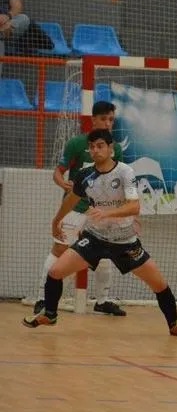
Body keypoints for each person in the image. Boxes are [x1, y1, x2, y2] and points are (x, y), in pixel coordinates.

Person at [22, 129, 177, 337]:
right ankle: (50, 314)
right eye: (92, 147)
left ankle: (175, 324)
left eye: (100, 146)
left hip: (125, 242)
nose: (95, 150)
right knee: (55, 272)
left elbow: (134, 206)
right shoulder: (84, 175)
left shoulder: (124, 172)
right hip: (95, 238)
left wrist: (106, 213)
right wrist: (56, 220)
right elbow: (72, 199)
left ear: (111, 148)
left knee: (159, 284)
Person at [32, 101, 126, 316]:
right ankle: (42, 299)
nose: (108, 123)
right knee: (59, 250)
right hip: (74, 209)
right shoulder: (76, 144)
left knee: (104, 256)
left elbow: (118, 180)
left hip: (100, 212)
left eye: (111, 119)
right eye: (103, 118)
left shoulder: (117, 149)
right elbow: (58, 172)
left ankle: (102, 301)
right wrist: (62, 183)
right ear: (93, 120)